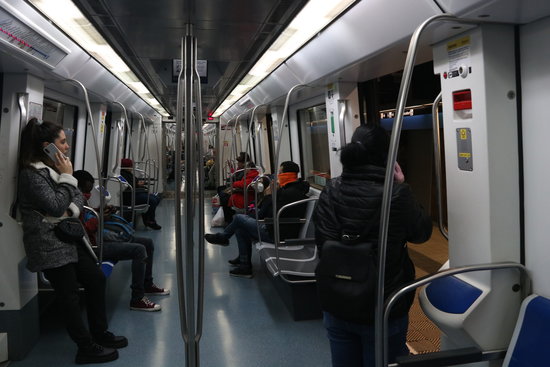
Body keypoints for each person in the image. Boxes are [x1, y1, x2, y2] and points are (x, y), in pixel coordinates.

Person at [313, 125, 432, 366]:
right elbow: (421, 233)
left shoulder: (330, 191)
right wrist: (402, 184)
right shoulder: (396, 194)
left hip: (336, 301)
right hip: (382, 305)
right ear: (386, 157)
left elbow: (322, 241)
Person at [18, 118, 127, 364]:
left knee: (96, 279)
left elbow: (77, 197)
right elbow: (57, 205)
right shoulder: (32, 174)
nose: (67, 147)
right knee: (68, 296)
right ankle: (85, 346)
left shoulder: (57, 169)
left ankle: (100, 333)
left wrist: (69, 208)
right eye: (63, 142)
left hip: (67, 237)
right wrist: (66, 186)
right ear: (48, 146)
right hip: (48, 243)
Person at [73, 170, 170, 312]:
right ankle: (137, 299)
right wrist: (100, 218)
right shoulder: (72, 201)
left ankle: (147, 284)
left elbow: (89, 214)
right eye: (86, 190)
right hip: (91, 247)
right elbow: (82, 230)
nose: (88, 194)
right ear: (79, 187)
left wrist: (101, 211)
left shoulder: (80, 198)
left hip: (98, 239)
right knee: (139, 250)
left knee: (147, 243)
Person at [204, 161, 310, 278]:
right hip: (276, 228)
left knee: (238, 218)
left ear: (287, 174)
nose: (278, 175)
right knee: (240, 227)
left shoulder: (288, 193)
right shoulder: (291, 190)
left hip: (277, 233)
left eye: (280, 172)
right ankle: (244, 264)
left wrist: (268, 195)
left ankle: (224, 238)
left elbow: (264, 214)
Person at [120, 158, 162, 230]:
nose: (132, 167)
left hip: (136, 193)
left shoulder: (128, 174)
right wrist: (138, 184)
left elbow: (134, 182)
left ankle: (147, 219)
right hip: (131, 196)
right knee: (152, 200)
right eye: (131, 166)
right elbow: (130, 185)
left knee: (157, 198)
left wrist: (138, 184)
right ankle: (151, 221)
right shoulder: (123, 174)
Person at [217, 152, 259, 224]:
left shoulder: (247, 173)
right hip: (241, 191)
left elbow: (241, 182)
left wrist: (233, 186)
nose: (238, 164)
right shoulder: (245, 172)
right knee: (222, 192)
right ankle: (227, 216)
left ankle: (228, 219)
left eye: (239, 162)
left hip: (244, 194)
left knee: (224, 196)